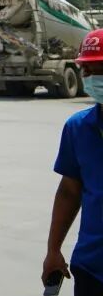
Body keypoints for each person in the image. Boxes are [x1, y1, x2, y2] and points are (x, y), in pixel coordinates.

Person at [44, 29, 103, 295]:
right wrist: (53, 250)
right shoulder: (78, 127)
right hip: (92, 267)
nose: (90, 77)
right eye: (85, 69)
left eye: (98, 69)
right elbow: (69, 191)